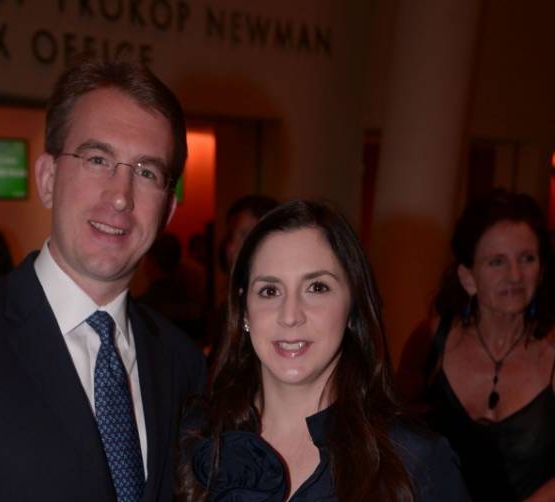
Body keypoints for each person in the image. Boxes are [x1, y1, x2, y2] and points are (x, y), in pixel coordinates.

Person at [0, 60, 206, 502]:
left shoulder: (181, 362)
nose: (120, 196)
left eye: (146, 172)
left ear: (168, 212)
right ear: (47, 179)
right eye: (97, 159)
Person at [178, 200, 468, 501]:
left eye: (316, 288)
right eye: (270, 291)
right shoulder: (194, 437)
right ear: (244, 311)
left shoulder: (415, 460)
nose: (290, 315)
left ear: (353, 306)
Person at [409, 190, 555, 501]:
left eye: (527, 259)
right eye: (497, 261)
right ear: (467, 276)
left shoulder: (552, 350)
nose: (515, 275)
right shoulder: (430, 340)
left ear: (541, 270)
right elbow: (393, 440)